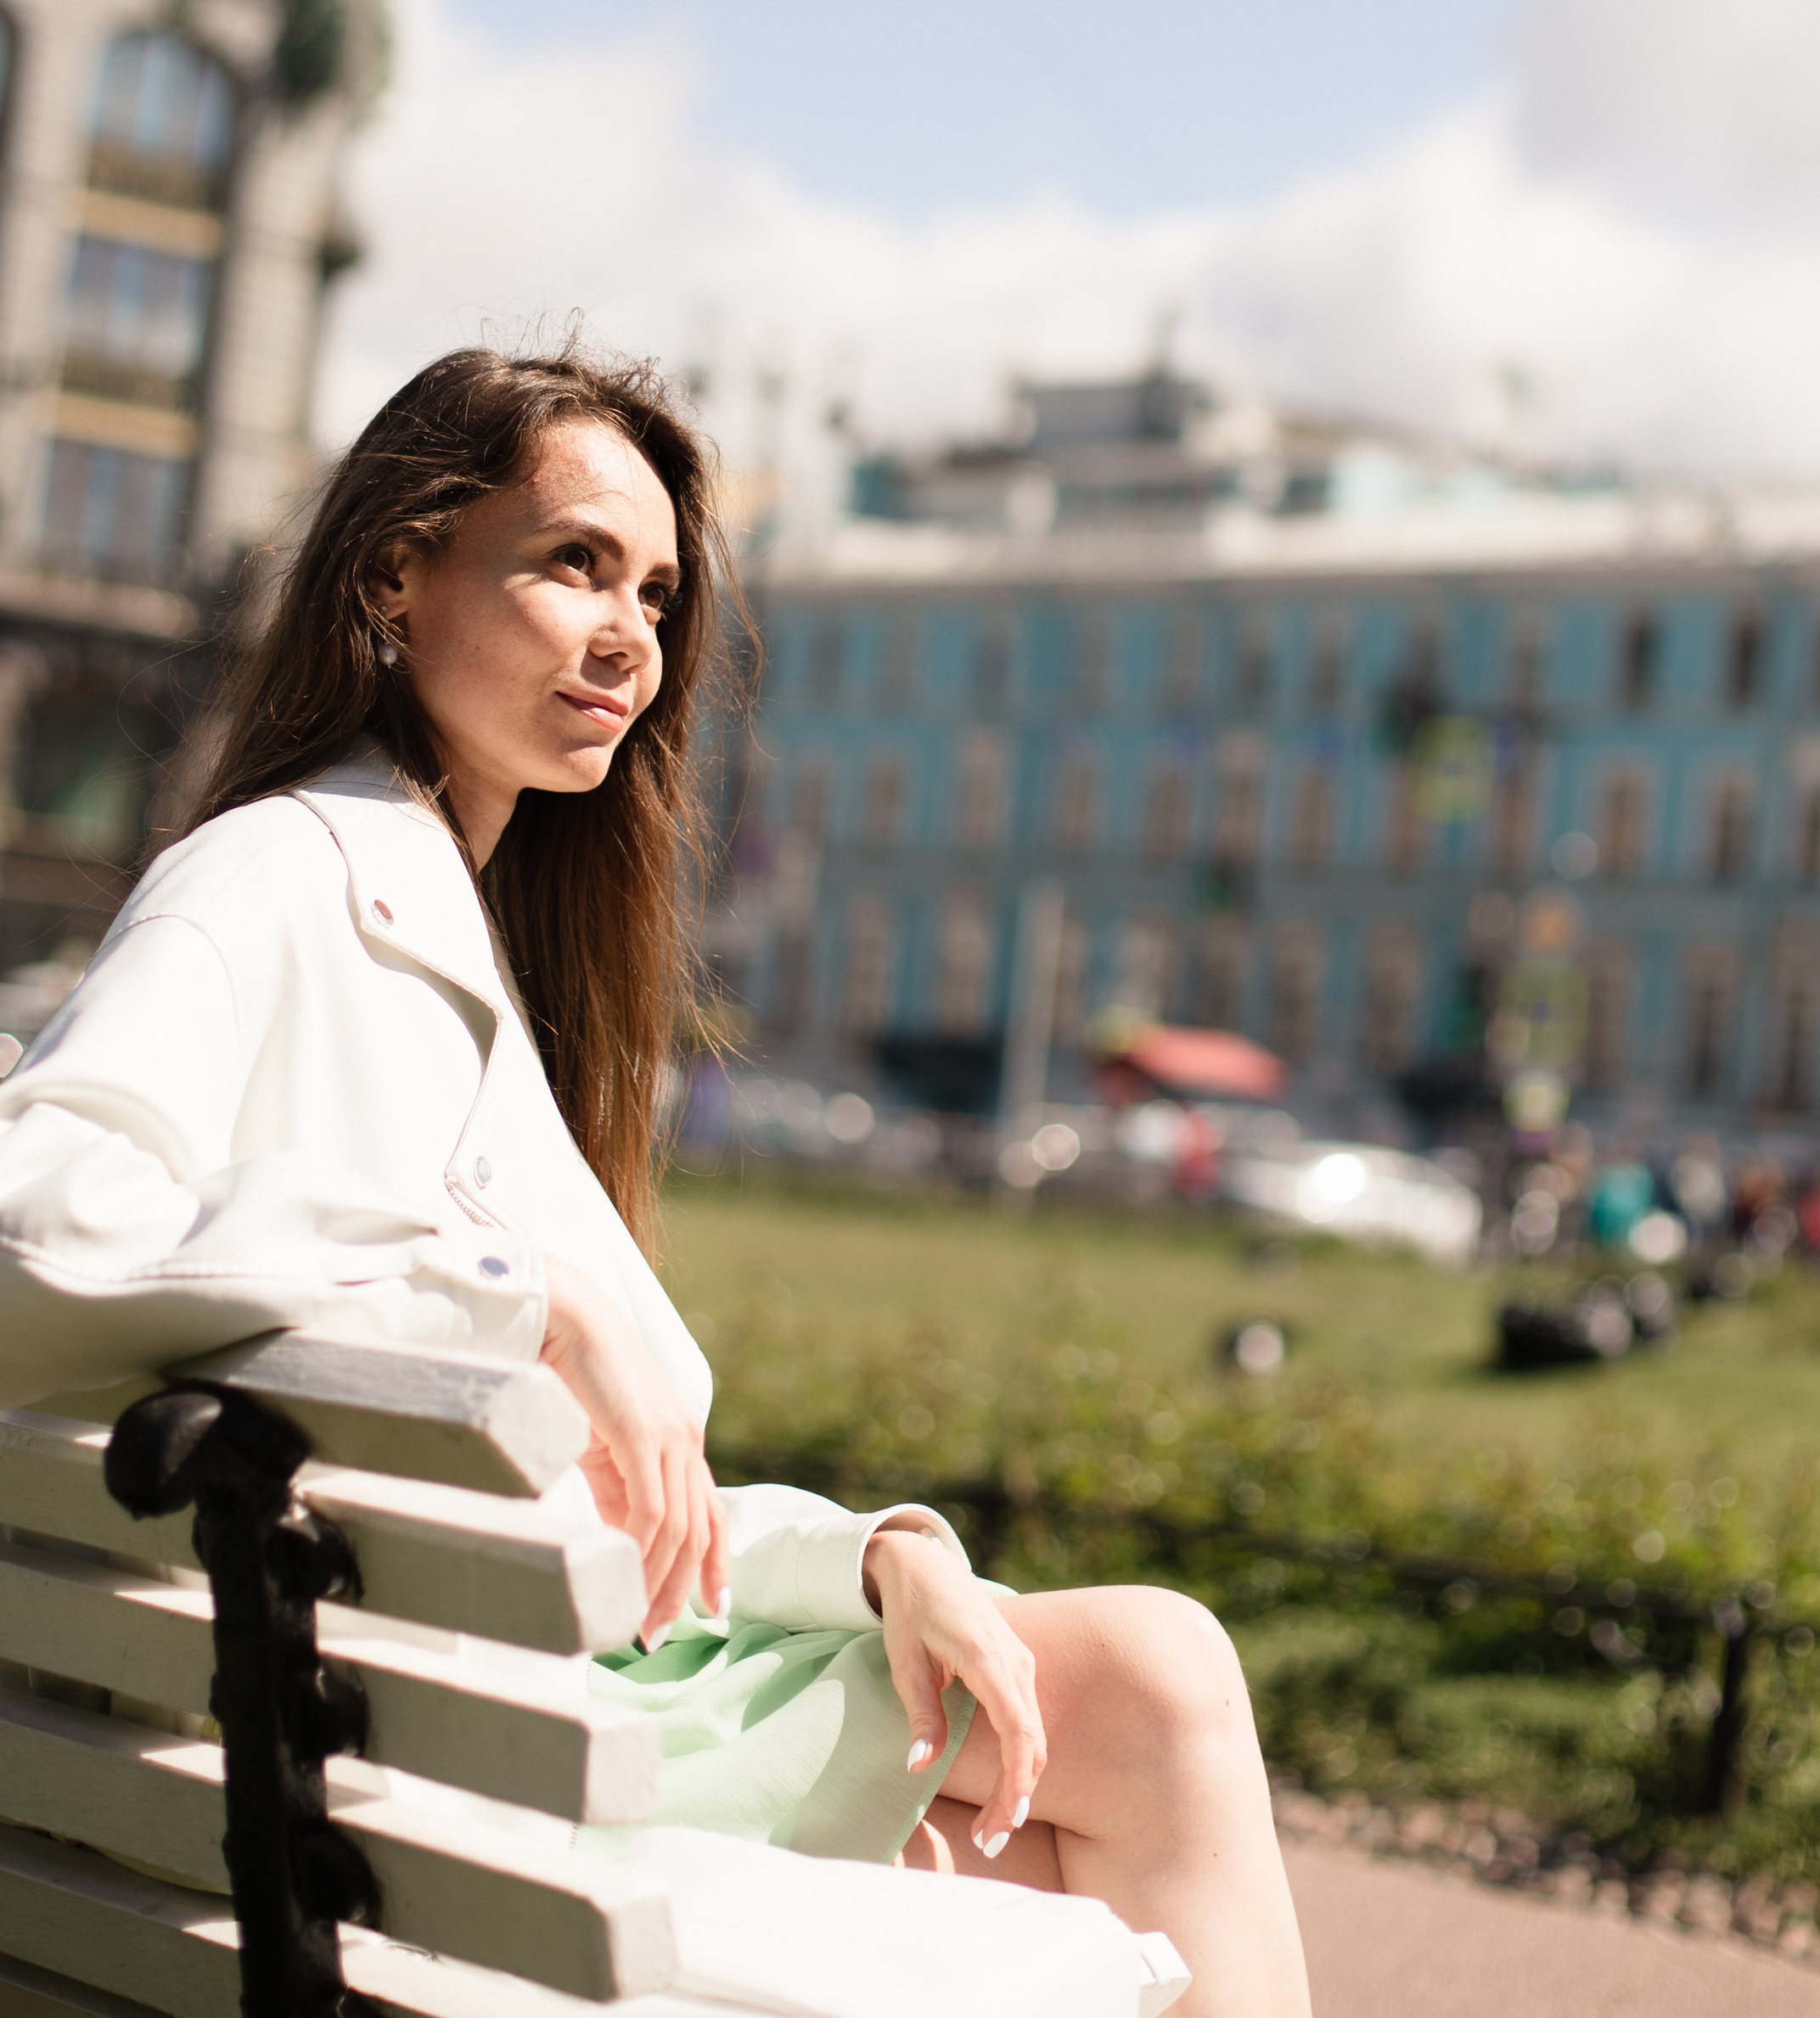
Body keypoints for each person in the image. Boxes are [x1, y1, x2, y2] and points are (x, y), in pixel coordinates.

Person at [0, 346, 1308, 2018]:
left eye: (658, 592)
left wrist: (871, 1558)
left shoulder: (442, 926)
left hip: (438, 1734)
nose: (632, 633)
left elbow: (595, 1497)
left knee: (1135, 1692)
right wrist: (521, 1296)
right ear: (393, 576)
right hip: (411, 1777)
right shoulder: (274, 874)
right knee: (1143, 1732)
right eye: (575, 564)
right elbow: (37, 1208)